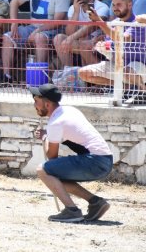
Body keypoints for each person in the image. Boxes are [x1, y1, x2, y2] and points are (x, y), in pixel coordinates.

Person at [31, 83, 114, 222]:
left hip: (94, 161)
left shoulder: (55, 122)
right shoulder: (69, 111)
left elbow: (51, 157)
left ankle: (72, 211)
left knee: (43, 170)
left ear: (47, 104)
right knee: (55, 176)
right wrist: (49, 135)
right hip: (105, 160)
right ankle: (95, 202)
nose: (34, 105)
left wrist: (45, 137)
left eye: (36, 101)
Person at [1, 0, 71, 83]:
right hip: (33, 27)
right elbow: (14, 2)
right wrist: (14, 23)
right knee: (7, 37)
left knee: (39, 37)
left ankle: (39, 78)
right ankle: (6, 77)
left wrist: (38, 30)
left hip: (53, 30)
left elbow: (57, 21)